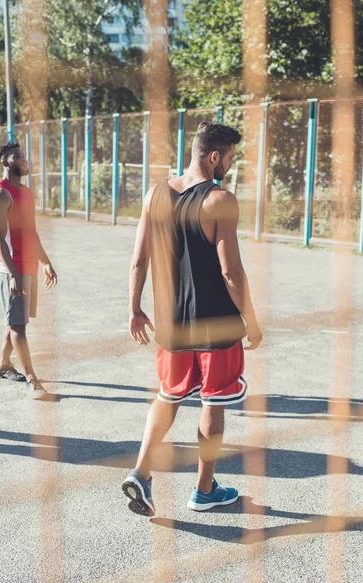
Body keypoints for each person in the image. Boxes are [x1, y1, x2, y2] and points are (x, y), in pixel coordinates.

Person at [122, 120, 262, 515]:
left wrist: (134, 309)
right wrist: (251, 319)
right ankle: (203, 491)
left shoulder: (155, 194)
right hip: (215, 323)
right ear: (214, 156)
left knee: (167, 397)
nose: (230, 166)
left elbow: (138, 259)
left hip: (171, 322)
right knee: (212, 403)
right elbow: (231, 272)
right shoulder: (220, 200)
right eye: (229, 158)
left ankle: (141, 472)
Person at [0, 141, 57, 400]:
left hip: (27, 266)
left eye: (24, 155)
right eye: (18, 156)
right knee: (18, 325)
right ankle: (32, 380)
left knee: (16, 319)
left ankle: (3, 364)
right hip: (10, 269)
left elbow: (30, 231)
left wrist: (45, 261)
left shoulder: (25, 192)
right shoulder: (0, 194)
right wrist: (14, 273)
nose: (24, 160)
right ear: (6, 162)